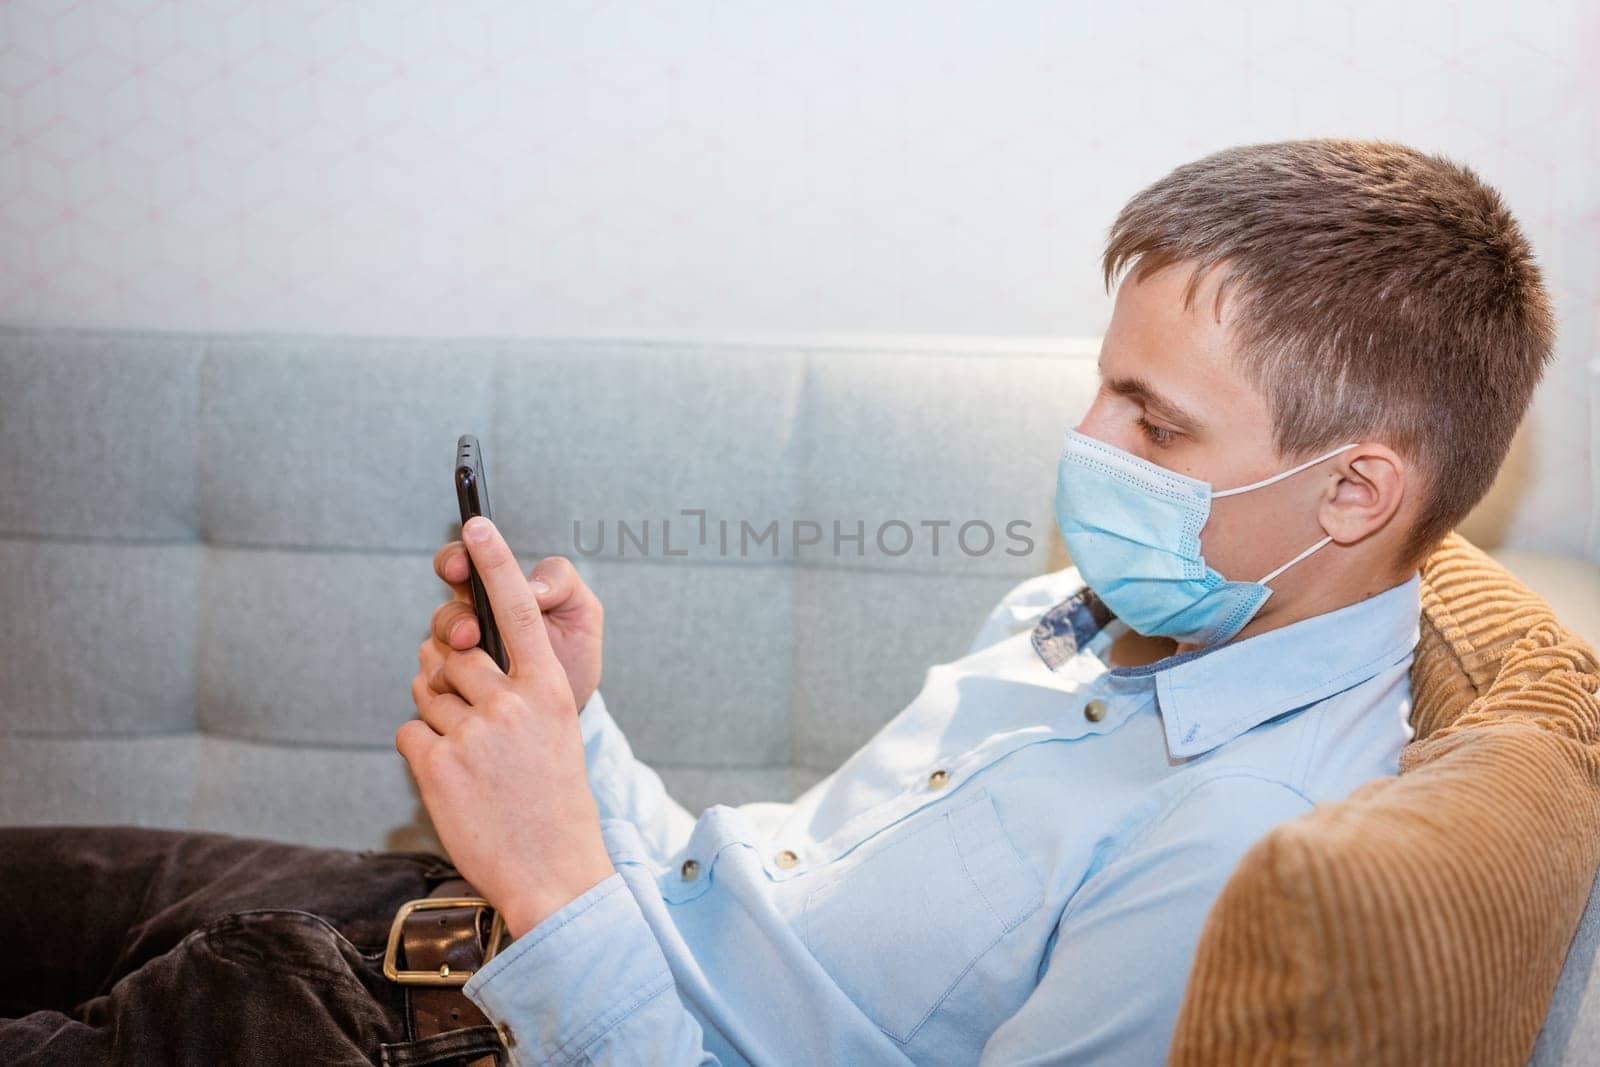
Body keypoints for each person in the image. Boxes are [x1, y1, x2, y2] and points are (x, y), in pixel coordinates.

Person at [0, 137, 1556, 1065]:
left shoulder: (1242, 852)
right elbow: (747, 935)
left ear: (1356, 492)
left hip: (423, 1028)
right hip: (428, 925)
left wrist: (551, 881)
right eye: (1103, 390)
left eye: (1154, 423)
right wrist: (576, 732)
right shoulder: (1135, 608)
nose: (1086, 448)